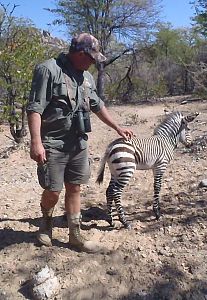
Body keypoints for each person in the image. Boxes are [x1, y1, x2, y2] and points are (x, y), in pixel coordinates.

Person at [26, 33, 133, 253]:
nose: (93, 63)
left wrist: (117, 127)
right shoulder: (48, 70)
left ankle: (75, 236)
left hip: (78, 143)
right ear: (78, 53)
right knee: (53, 190)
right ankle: (46, 222)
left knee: (74, 187)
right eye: (90, 58)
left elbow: (97, 105)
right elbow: (35, 108)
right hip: (53, 143)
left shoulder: (87, 78)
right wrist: (36, 142)